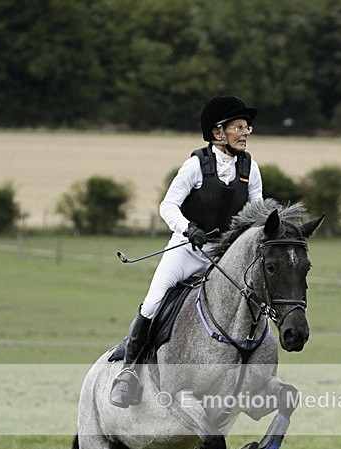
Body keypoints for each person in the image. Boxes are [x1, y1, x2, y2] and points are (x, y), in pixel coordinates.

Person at [110, 94, 263, 408]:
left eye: (247, 127)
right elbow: (167, 206)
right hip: (186, 250)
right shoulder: (195, 165)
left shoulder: (250, 167)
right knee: (154, 301)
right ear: (219, 132)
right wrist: (187, 227)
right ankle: (130, 373)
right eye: (239, 126)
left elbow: (257, 213)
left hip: (222, 256)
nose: (246, 132)